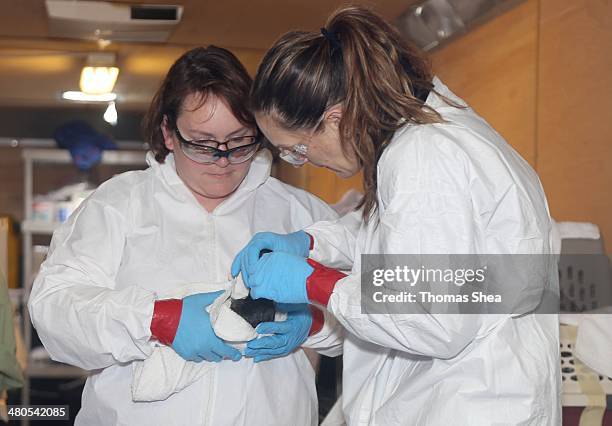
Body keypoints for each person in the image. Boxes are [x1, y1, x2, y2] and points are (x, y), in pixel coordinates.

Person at [233, 7, 561, 425]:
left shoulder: (424, 157)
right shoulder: (423, 139)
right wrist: (312, 244)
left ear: (335, 119)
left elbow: (430, 316)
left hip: (470, 403)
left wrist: (314, 281)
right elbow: (393, 238)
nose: (304, 161)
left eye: (297, 148)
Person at [29, 46, 342, 426]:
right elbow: (53, 311)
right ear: (169, 133)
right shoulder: (117, 205)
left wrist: (314, 322)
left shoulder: (303, 214)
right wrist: (156, 318)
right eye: (203, 142)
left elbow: (377, 316)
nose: (222, 160)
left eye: (240, 141)